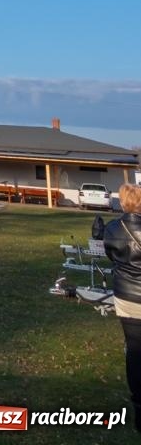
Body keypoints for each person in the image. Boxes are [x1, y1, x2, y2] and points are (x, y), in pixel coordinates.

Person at [103, 183, 141, 432]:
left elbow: (111, 256)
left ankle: (139, 407)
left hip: (126, 297)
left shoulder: (112, 228)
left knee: (135, 352)